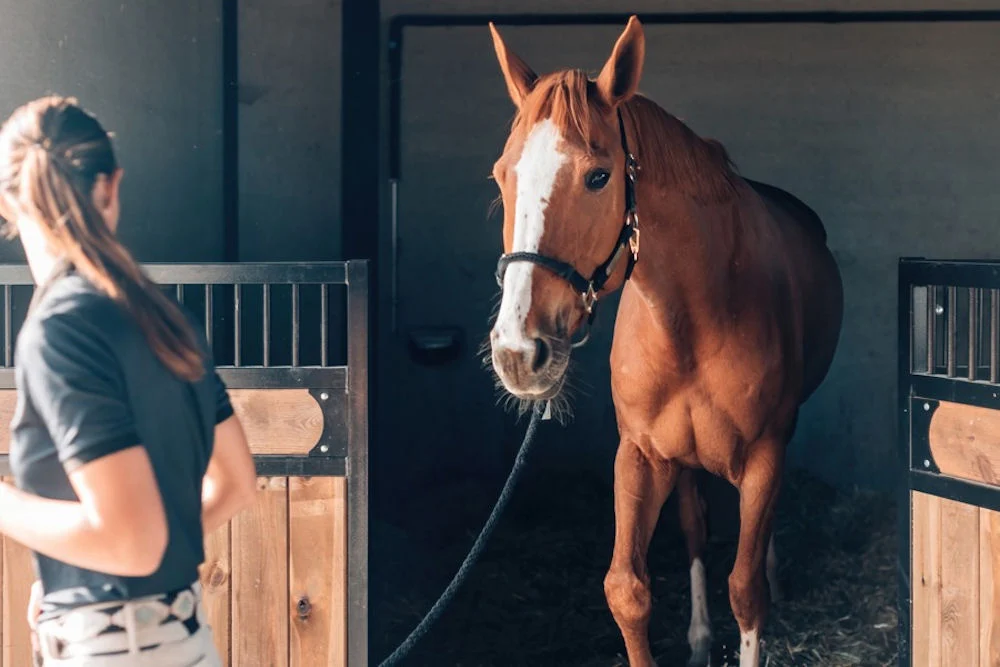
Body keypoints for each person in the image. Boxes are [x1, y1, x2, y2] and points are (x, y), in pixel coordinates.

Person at [0, 95, 257, 665]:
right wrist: (89, 566)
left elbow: (133, 543)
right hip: (186, 641)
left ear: (7, 204)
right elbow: (236, 484)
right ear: (112, 186)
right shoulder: (166, 316)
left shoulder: (58, 329)